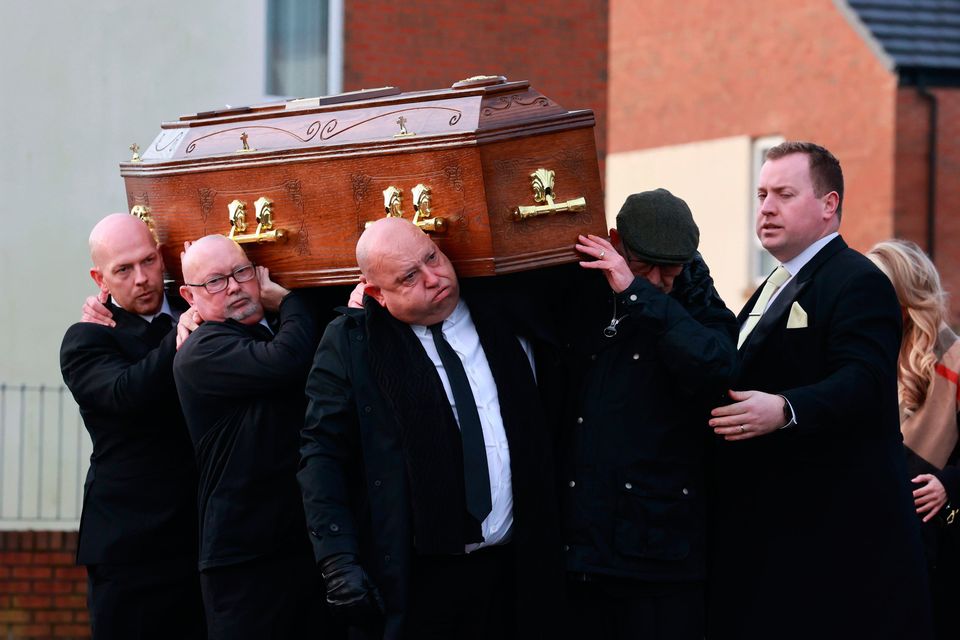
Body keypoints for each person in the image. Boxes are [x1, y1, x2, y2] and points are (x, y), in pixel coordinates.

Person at [707, 142, 932, 639]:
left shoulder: (858, 280)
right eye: (762, 193)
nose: (765, 207)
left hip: (835, 547)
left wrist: (786, 409)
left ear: (829, 205)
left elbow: (865, 380)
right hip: (774, 540)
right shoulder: (775, 282)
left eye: (784, 194)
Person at [298, 217, 562, 640]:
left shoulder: (505, 310)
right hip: (419, 577)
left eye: (432, 258)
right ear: (376, 295)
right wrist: (336, 560)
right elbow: (321, 455)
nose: (433, 277)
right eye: (408, 277)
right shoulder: (354, 344)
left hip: (519, 567)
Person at [559, 190, 737, 639]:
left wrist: (636, 291)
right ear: (616, 241)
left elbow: (715, 364)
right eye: (645, 267)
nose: (659, 280)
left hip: (660, 551)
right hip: (582, 544)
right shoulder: (580, 284)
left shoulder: (696, 298)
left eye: (671, 270)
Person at [172, 235, 330, 640]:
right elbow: (285, 361)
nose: (234, 287)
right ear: (190, 295)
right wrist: (291, 301)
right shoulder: (201, 349)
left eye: (242, 272)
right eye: (215, 281)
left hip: (298, 544)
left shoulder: (272, 329)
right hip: (243, 558)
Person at [59, 213, 205, 640]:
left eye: (148, 262)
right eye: (123, 269)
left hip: (201, 537)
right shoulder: (88, 338)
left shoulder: (196, 309)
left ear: (162, 258)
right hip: (131, 546)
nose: (142, 279)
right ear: (99, 277)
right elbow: (126, 393)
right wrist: (183, 328)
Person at [867, 239, 960, 639]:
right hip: (866, 535)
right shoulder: (863, 353)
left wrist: (949, 485)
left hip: (931, 545)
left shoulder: (954, 361)